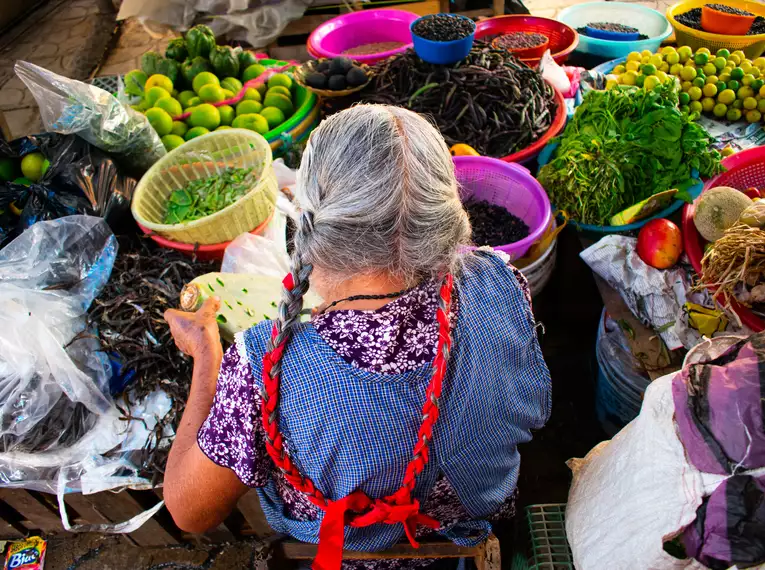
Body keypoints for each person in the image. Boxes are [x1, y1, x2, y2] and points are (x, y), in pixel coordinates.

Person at [163, 104, 551, 570]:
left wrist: (205, 353)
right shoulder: (499, 279)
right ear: (443, 213)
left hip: (347, 556)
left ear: (309, 221)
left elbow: (189, 511)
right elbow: (527, 408)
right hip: (471, 523)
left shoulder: (262, 365)